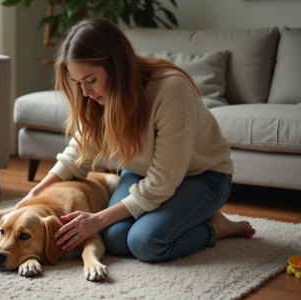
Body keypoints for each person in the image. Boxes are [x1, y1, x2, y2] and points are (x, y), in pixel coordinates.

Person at [15, 18, 256, 263]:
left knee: (146, 243)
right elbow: (78, 154)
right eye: (77, 83)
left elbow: (162, 182)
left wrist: (97, 219)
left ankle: (218, 228)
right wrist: (33, 195)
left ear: (117, 66)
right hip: (141, 174)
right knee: (114, 240)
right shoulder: (95, 98)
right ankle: (188, 216)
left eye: (90, 80)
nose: (85, 93)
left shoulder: (171, 89)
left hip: (203, 176)